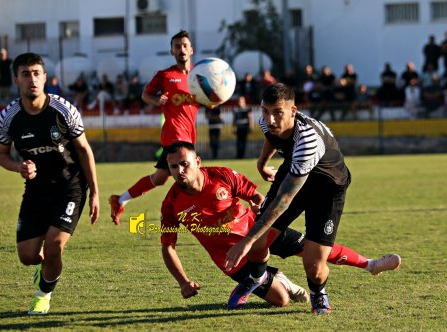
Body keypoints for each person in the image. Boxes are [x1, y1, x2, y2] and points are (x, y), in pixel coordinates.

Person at [225, 83, 401, 314]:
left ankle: (318, 294)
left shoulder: (307, 141)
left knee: (314, 267)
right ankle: (257, 277)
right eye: (266, 111)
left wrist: (245, 241)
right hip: (296, 172)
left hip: (328, 189)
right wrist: (262, 163)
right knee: (259, 242)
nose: (270, 119)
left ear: (293, 111)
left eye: (278, 112)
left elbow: (284, 199)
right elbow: (272, 136)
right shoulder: (267, 121)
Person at [162, 142, 401, 307]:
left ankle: (371, 265)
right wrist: (183, 282)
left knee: (312, 246)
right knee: (282, 300)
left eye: (185, 163)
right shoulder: (171, 204)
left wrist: (257, 206)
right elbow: (168, 246)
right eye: (174, 167)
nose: (181, 170)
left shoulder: (222, 176)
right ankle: (279, 279)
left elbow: (255, 196)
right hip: (232, 260)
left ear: (197, 161)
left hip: (257, 234)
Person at [0, 52, 100, 315]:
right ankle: (48, 269)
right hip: (37, 190)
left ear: (44, 77)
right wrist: (19, 166)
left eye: (37, 73)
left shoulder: (63, 110)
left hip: (70, 186)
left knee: (53, 247)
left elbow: (85, 151)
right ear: (16, 78)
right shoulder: (8, 117)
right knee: (28, 256)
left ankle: (44, 295)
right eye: (26, 74)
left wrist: (95, 192)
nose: (32, 79)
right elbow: (1, 155)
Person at [108, 30, 201, 225]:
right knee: (188, 175)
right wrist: (156, 100)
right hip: (175, 134)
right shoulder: (166, 75)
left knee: (159, 178)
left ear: (191, 50)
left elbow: (211, 100)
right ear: (172, 51)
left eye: (185, 46)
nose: (181, 49)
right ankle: (173, 215)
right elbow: (145, 95)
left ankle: (120, 199)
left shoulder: (199, 76)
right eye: (177, 46)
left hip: (188, 135)